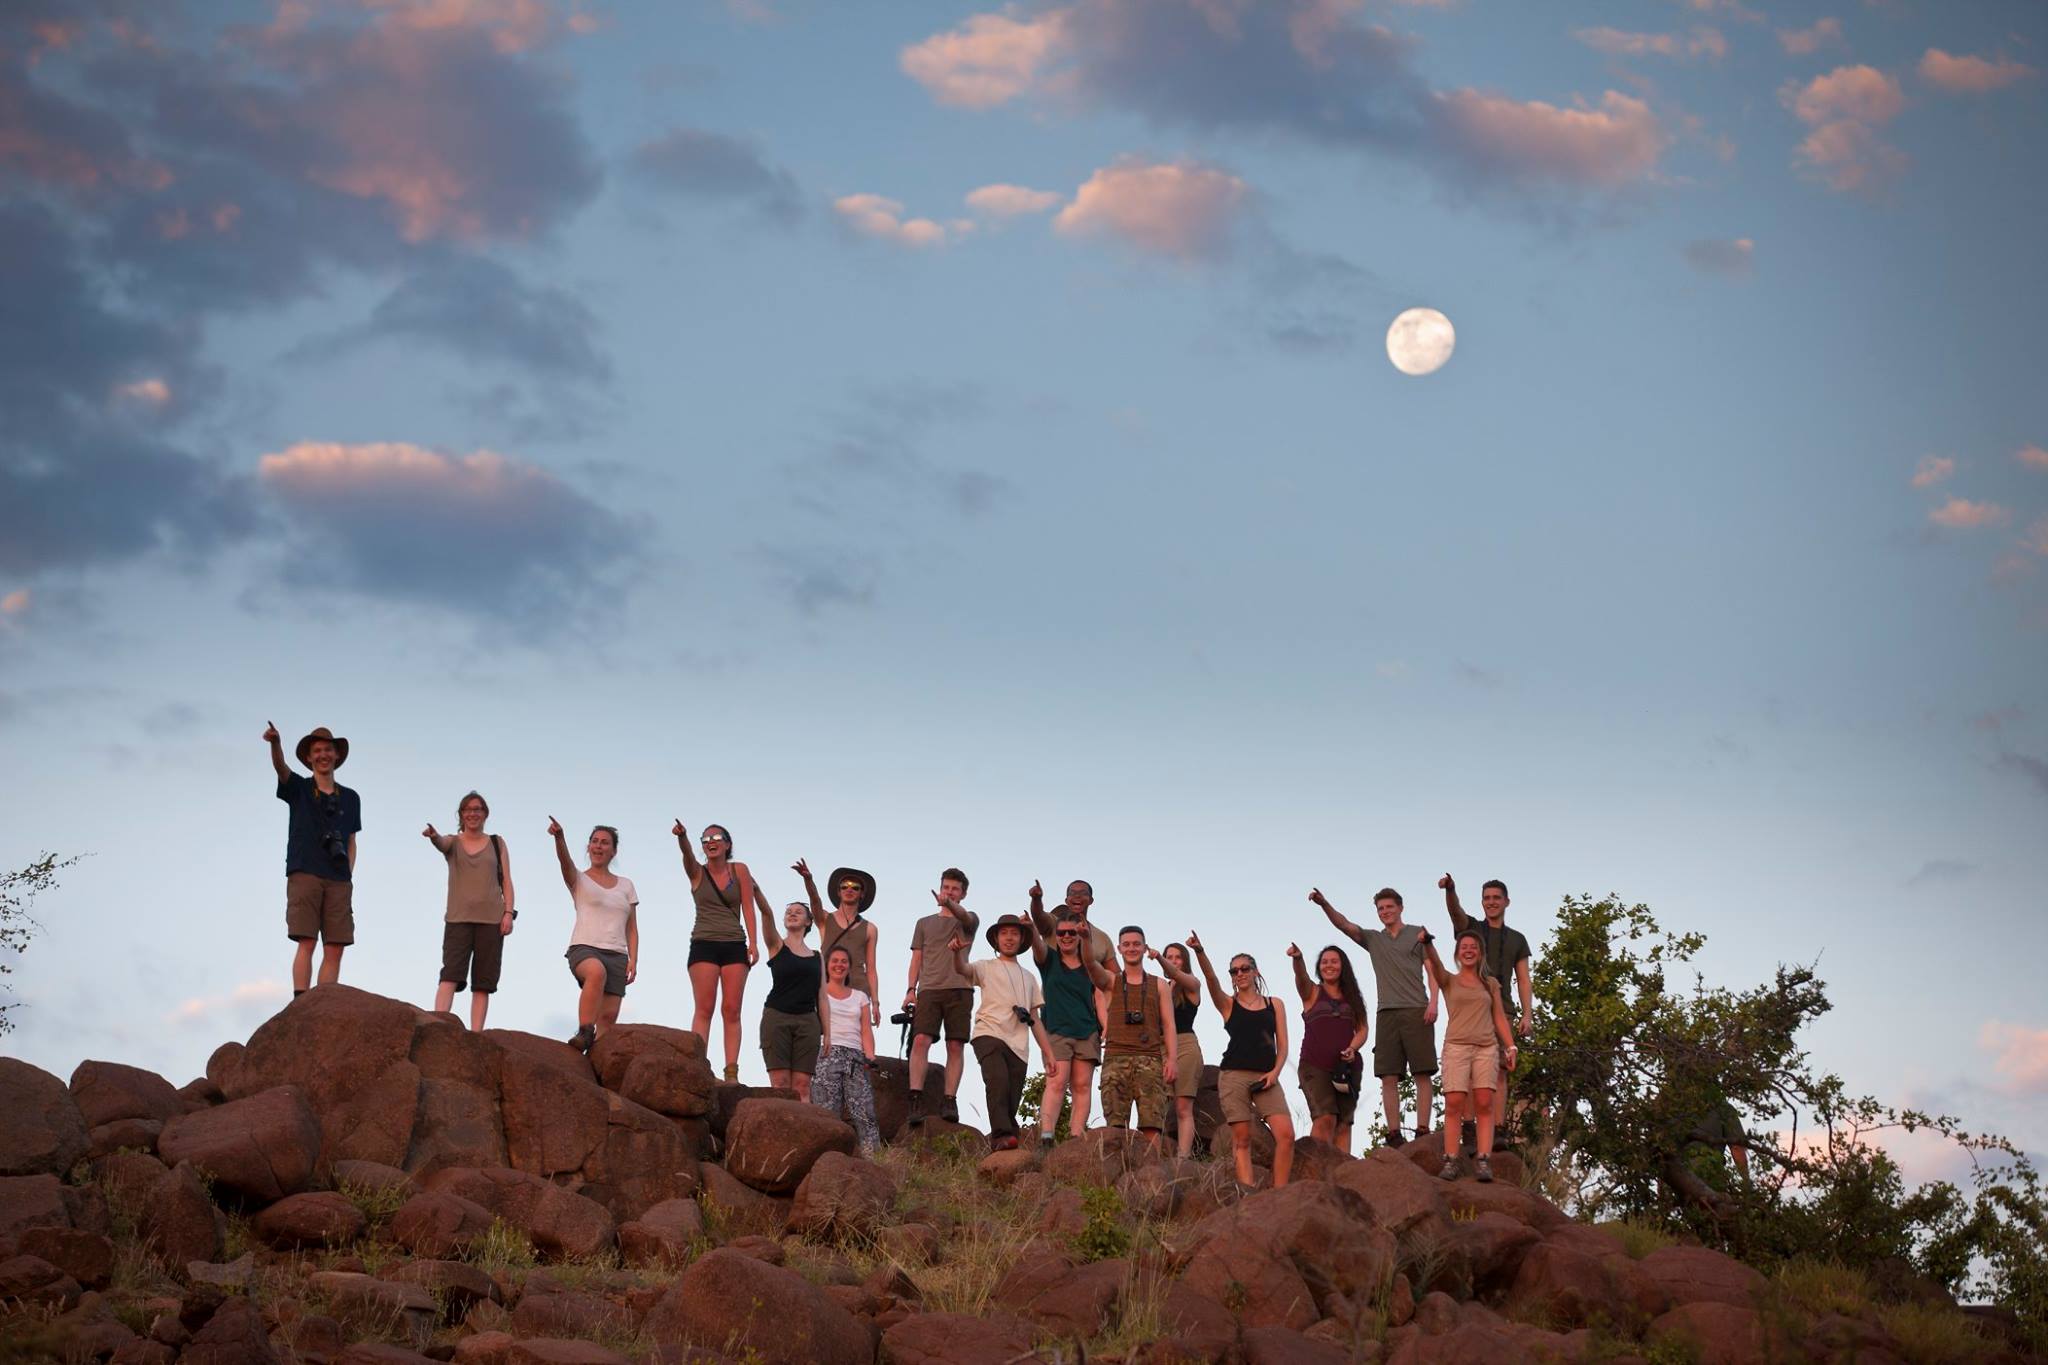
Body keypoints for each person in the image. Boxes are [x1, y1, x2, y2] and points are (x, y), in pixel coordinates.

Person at [1311, 886, 1439, 1148]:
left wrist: (1434, 1002)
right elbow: (1344, 925)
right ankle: (1394, 1134)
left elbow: (1432, 969)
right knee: (1388, 1074)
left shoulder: (1417, 933)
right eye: (1380, 908)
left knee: (1422, 1072)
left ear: (1400, 908)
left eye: (1389, 907)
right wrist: (1324, 904)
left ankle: (1423, 1130)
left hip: (1416, 1008)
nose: (1385, 912)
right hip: (1386, 1012)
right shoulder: (1374, 939)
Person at [265, 722, 361, 996]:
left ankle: (324, 1002)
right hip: (305, 870)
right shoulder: (299, 788)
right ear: (308, 757)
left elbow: (352, 840)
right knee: (306, 940)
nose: (323, 755)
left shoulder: (351, 798)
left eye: (328, 750)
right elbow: (281, 769)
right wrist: (275, 744)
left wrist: (348, 874)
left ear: (336, 755)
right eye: (317, 750)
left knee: (335, 945)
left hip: (338, 878)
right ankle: (301, 1000)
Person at [1190, 933, 1293, 1188]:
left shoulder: (1274, 1004)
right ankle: (1247, 1192)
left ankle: (1280, 1194)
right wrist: (1200, 952)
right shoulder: (1228, 1005)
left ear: (1256, 972)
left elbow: (1283, 1046)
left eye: (1245, 968)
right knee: (1242, 1139)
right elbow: (1211, 980)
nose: (1239, 974)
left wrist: (1275, 1073)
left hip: (1266, 1077)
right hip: (1234, 1075)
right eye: (1234, 971)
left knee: (1286, 1136)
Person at [1440, 874, 1532, 1146]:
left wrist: (1527, 1014)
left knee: (1500, 1070)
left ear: (1506, 902)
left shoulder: (1517, 939)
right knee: (1467, 1068)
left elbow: (1524, 978)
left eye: (1496, 898)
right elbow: (1455, 913)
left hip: (1503, 1007)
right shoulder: (1472, 929)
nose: (1491, 903)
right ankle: (1468, 1127)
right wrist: (1450, 890)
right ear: (1482, 902)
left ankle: (1499, 1128)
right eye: (1487, 898)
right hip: (1472, 1005)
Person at [1423, 929, 1518, 1182]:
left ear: (1480, 953)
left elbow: (1498, 1016)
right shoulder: (1449, 980)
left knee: (1485, 1102)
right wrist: (1428, 943)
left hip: (1486, 1047)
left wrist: (1510, 1046)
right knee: (1454, 1103)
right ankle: (1452, 1159)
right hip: (1457, 1046)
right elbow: (1435, 964)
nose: (1468, 950)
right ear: (1457, 953)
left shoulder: (1490, 983)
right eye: (1463, 947)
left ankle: (1484, 1160)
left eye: (1473, 947)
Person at [948, 914, 1045, 1151]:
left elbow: (1035, 1019)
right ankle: (1001, 1136)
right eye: (1004, 933)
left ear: (1022, 939)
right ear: (996, 939)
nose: (1009, 938)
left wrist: (1048, 1053)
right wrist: (956, 953)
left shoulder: (1030, 977)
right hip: (988, 1033)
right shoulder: (985, 966)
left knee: (1012, 1094)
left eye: (1014, 933)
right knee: (997, 1082)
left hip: (1019, 1045)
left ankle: (1007, 1140)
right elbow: (962, 969)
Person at [673, 821, 762, 1082]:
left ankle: (731, 1071)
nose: (711, 842)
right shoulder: (697, 872)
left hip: (734, 943)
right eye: (706, 839)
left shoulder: (740, 870)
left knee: (732, 1009)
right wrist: (683, 838)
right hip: (704, 943)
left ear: (727, 844)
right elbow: (687, 857)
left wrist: (753, 943)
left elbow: (748, 906)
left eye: (716, 837)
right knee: (704, 1008)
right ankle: (696, 1063)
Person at [423, 791, 515, 1030]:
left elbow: (506, 880)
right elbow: (441, 843)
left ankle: (476, 1034)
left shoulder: (497, 842)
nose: (473, 813)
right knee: (450, 974)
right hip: (458, 919)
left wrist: (508, 913)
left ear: (485, 814)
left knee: (483, 982)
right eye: (468, 809)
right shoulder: (453, 842)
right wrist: (434, 837)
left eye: (477, 809)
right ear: (461, 815)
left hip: (491, 920)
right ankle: (438, 1023)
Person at [1027, 904, 1115, 1146]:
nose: (1066, 936)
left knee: (1082, 1085)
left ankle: (1076, 1138)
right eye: (1062, 933)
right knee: (1056, 1082)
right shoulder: (1050, 960)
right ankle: (1047, 1136)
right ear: (1056, 936)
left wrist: (1105, 1026)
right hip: (1057, 1031)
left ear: (1079, 935)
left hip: (1087, 1032)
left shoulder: (1090, 965)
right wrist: (1032, 928)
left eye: (1072, 933)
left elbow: (1098, 995)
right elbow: (1037, 944)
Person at [551, 817, 636, 1054]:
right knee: (596, 972)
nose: (599, 846)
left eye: (605, 843)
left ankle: (595, 1064)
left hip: (617, 954)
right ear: (589, 847)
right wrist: (559, 838)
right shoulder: (579, 879)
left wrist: (633, 959)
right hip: (584, 948)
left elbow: (632, 927)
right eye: (595, 842)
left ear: (614, 850)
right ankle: (585, 1031)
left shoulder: (626, 885)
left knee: (608, 1019)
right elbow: (564, 861)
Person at [903, 868, 980, 1126]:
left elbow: (963, 915)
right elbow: (916, 958)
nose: (949, 892)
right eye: (946, 887)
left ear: (963, 893)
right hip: (930, 988)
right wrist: (910, 990)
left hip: (960, 987)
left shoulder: (968, 920)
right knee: (921, 1039)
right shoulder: (924, 923)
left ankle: (949, 1098)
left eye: (955, 889)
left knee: (955, 1044)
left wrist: (949, 904)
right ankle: (915, 1097)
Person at [1096, 926, 1179, 1150]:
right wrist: (1085, 940)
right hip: (1115, 1058)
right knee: (1115, 1126)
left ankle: (1150, 1175)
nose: (1131, 948)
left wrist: (1172, 1059)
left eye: (1136, 944)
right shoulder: (1110, 982)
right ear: (1119, 949)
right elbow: (1089, 965)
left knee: (1152, 1126)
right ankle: (1115, 1177)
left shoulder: (1159, 984)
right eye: (1127, 944)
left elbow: (1169, 1025)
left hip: (1150, 1059)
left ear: (1144, 947)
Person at [1288, 942, 1369, 1152]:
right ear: (1318, 967)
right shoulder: (1312, 992)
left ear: (1343, 966)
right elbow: (1301, 979)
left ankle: (1341, 1176)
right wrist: (1298, 959)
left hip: (1347, 1068)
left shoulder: (1353, 998)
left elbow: (1362, 1030)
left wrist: (1353, 1048)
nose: (1329, 965)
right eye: (1324, 962)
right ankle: (1314, 1171)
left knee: (1343, 1124)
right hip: (1315, 1064)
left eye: (1334, 961)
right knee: (1325, 1118)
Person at [758, 863, 823, 1100]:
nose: (792, 913)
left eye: (798, 911)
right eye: (789, 911)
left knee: (803, 1086)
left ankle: (804, 1134)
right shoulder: (777, 945)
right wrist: (755, 890)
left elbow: (822, 997)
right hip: (777, 1017)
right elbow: (766, 914)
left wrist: (829, 1033)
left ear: (808, 922)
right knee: (781, 1084)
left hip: (808, 1021)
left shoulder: (818, 957)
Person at [812, 943, 881, 1156]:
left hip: (854, 1056)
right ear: (827, 966)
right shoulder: (818, 992)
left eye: (844, 961)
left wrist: (870, 1056)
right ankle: (826, 1159)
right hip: (826, 1054)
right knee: (826, 1112)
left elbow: (866, 1030)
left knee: (865, 1113)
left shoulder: (860, 996)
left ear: (850, 967)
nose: (839, 965)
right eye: (834, 961)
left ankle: (873, 1160)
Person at [807, 863, 881, 1030]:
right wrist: (808, 880)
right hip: (827, 986)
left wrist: (875, 1002)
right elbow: (814, 902)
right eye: (844, 886)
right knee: (825, 1034)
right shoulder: (826, 919)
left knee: (854, 1038)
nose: (849, 889)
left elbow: (871, 969)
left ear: (862, 894)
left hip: (857, 989)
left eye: (855, 887)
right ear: (838, 891)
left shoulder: (870, 929)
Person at [1152, 941, 1204, 1159]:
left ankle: (1183, 1158)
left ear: (1185, 960)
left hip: (1184, 1045)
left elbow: (1173, 973)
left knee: (1183, 1107)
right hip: (1160, 1047)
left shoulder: (1191, 984)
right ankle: (1152, 1155)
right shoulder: (1159, 987)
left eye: (1177, 957)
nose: (1173, 961)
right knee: (1154, 1104)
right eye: (1169, 956)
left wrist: (1159, 958)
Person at [1027, 878, 1114, 968]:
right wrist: (1036, 900)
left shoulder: (1102, 937)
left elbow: (1115, 974)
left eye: (1083, 893)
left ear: (1091, 900)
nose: (1077, 896)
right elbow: (1039, 916)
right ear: (1066, 900)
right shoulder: (1054, 924)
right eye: (1072, 893)